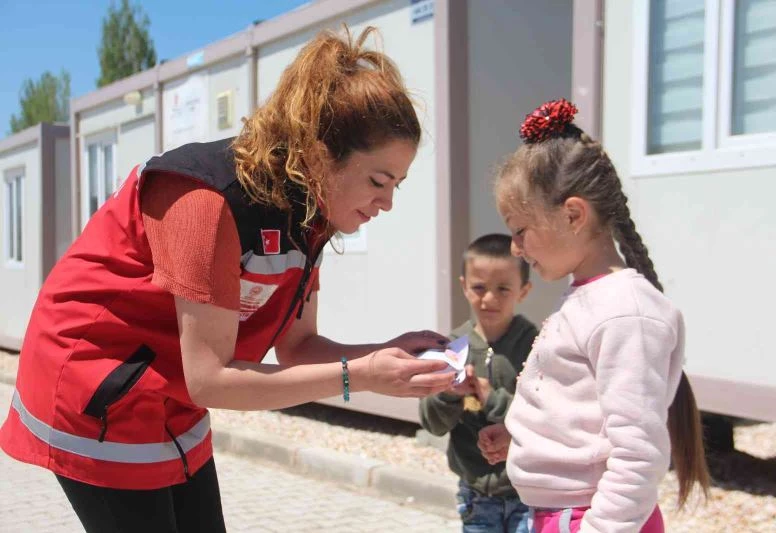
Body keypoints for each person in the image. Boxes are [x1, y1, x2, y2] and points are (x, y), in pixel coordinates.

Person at [0, 26, 455, 533]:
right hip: (93, 387)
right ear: (321, 155)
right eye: (378, 180)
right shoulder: (205, 200)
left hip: (169, 393)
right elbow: (210, 378)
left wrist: (384, 355)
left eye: (397, 184)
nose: (388, 203)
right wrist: (358, 376)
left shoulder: (311, 215)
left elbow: (298, 347)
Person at [477, 99, 710, 533]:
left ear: (573, 215)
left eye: (520, 230)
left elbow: (637, 454)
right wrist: (525, 441)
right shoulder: (591, 300)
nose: (515, 248)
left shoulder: (624, 313)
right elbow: (582, 411)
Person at [419, 233, 539, 533]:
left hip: (528, 491)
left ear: (523, 291)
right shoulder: (453, 347)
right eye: (479, 287)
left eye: (503, 289)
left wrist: (491, 397)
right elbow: (432, 423)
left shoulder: (536, 346)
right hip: (475, 493)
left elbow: (545, 416)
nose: (489, 299)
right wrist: (448, 394)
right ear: (464, 287)